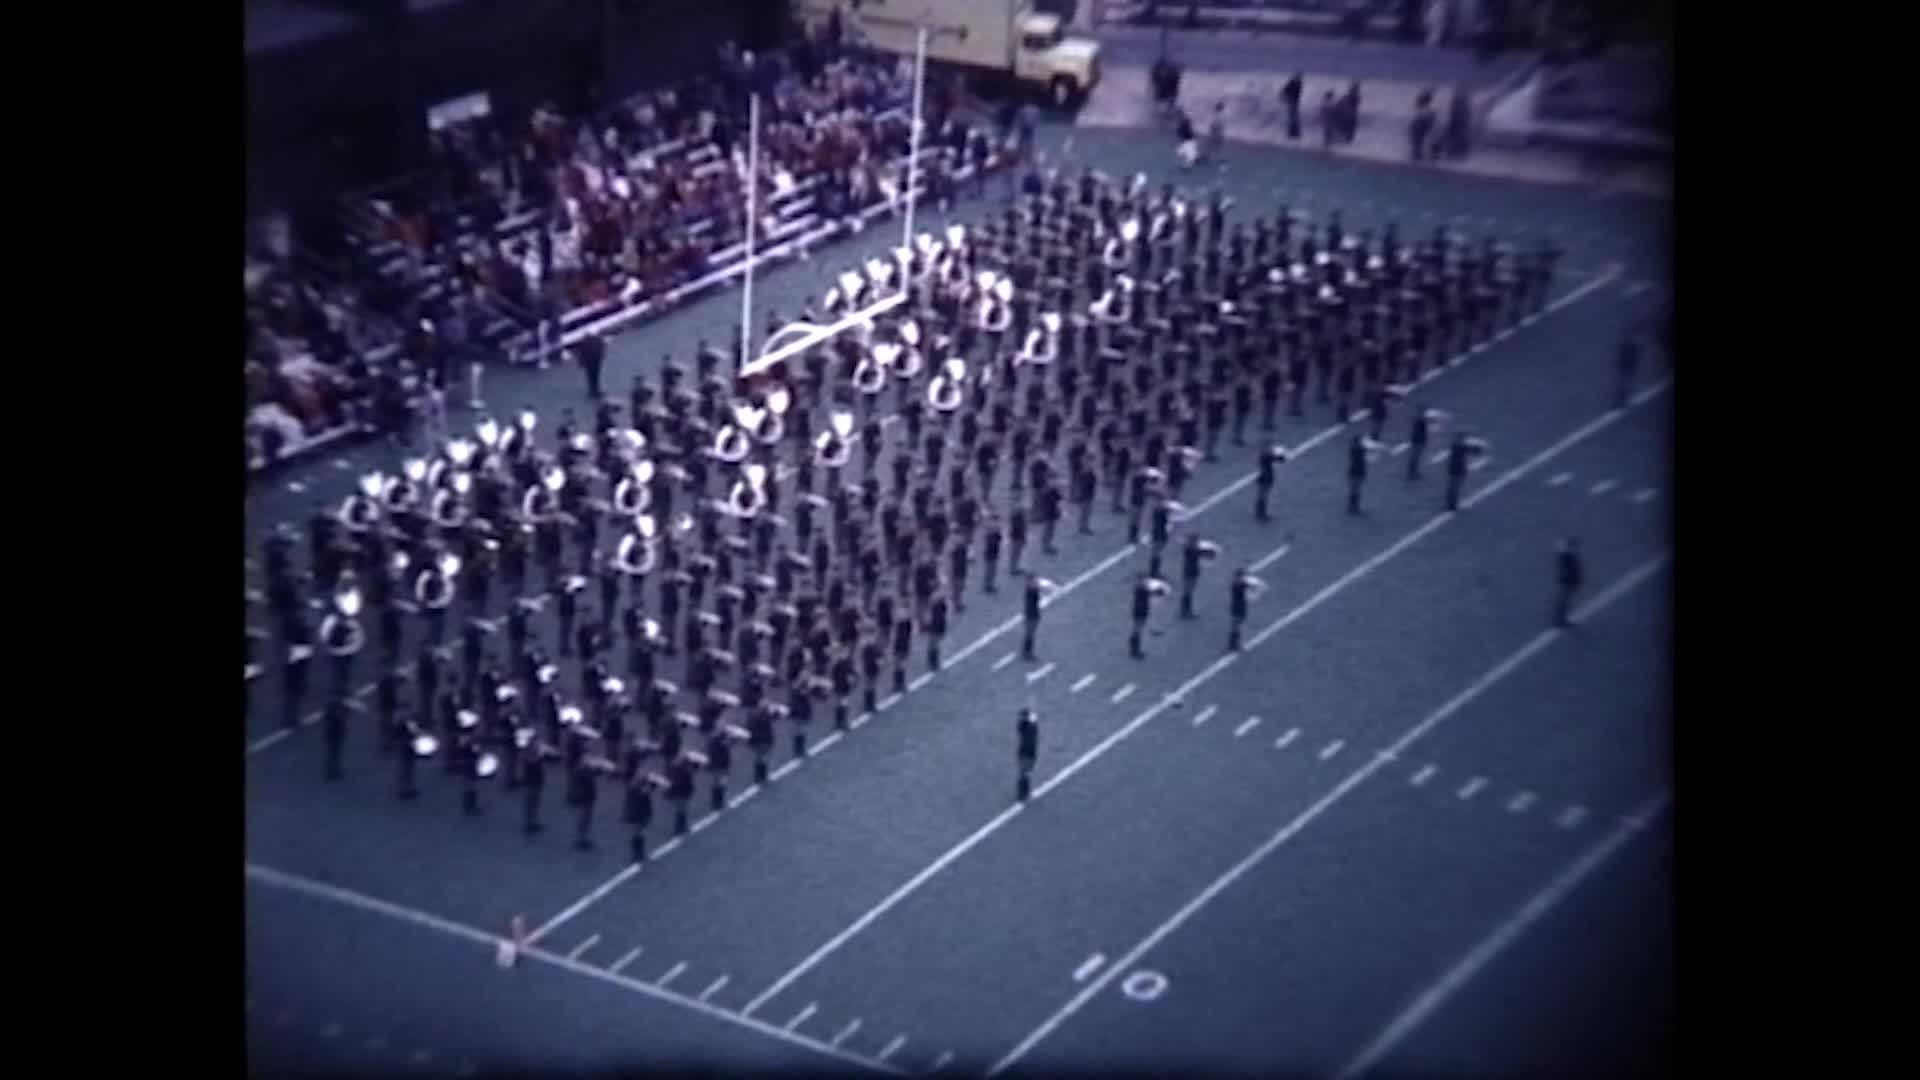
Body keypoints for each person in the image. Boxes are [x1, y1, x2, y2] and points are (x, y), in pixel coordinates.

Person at [1554, 538, 1584, 627]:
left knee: (1564, 601)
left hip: (1569, 582)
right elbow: (1570, 571)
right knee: (1564, 601)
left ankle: (1560, 619)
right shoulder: (1568, 557)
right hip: (1568, 582)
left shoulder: (1566, 556)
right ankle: (1560, 620)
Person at [1015, 706, 1039, 802]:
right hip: (1026, 752)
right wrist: (1032, 720)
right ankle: (1022, 794)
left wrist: (1030, 719)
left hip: (1029, 752)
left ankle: (1024, 793)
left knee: (1026, 773)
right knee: (1025, 773)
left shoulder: (1025, 726)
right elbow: (1032, 728)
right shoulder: (1027, 727)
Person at [1281, 73, 1303, 139]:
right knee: (1292, 118)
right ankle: (1292, 134)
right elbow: (1283, 91)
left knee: (1294, 118)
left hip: (1294, 102)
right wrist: (1285, 98)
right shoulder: (1292, 83)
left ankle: (1294, 134)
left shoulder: (1299, 83)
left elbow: (1284, 92)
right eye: (1298, 77)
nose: (1299, 79)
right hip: (1291, 102)